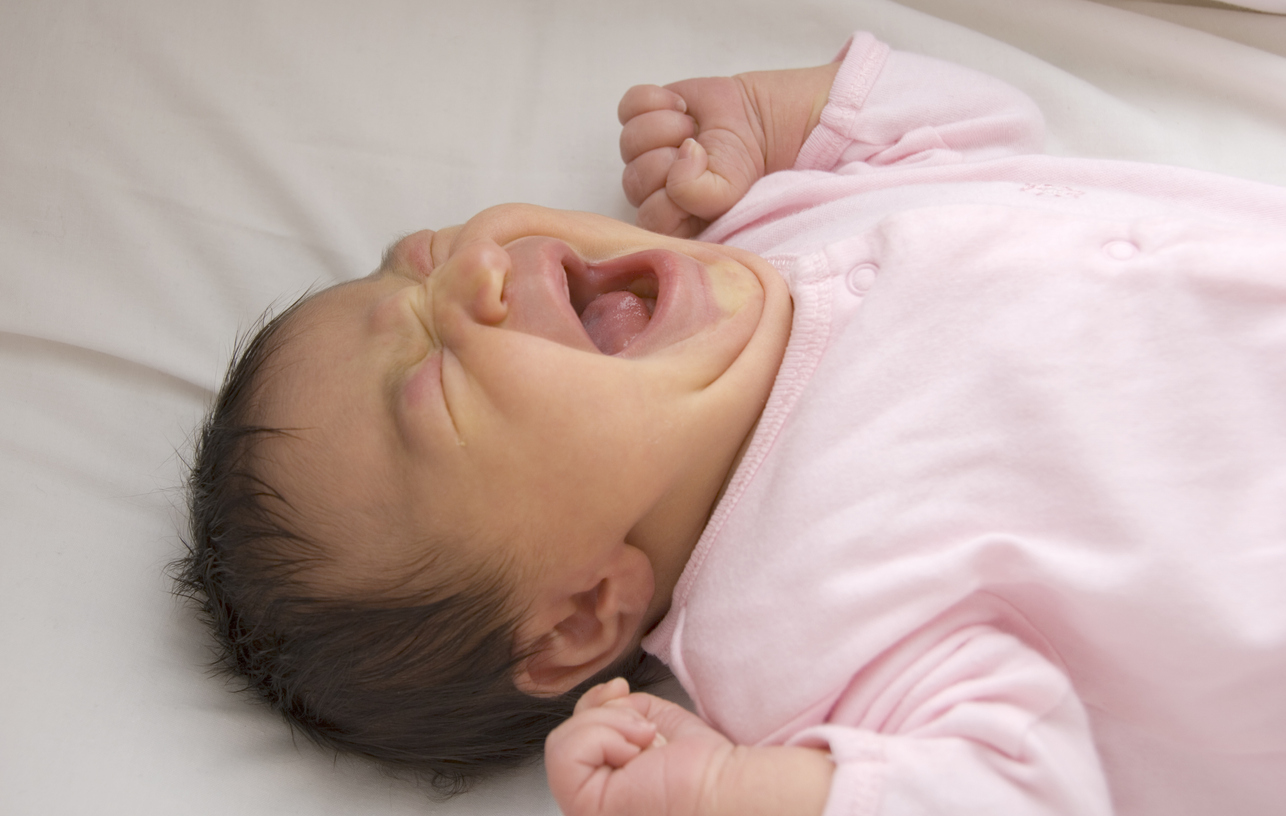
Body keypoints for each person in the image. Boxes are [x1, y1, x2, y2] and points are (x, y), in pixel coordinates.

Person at [179, 31, 1286, 815]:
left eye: (415, 265)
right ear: (575, 619)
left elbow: (991, 137)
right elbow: (1018, 787)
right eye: (429, 382)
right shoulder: (794, 621)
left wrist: (779, 117)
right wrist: (739, 791)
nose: (468, 268)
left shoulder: (774, 234)